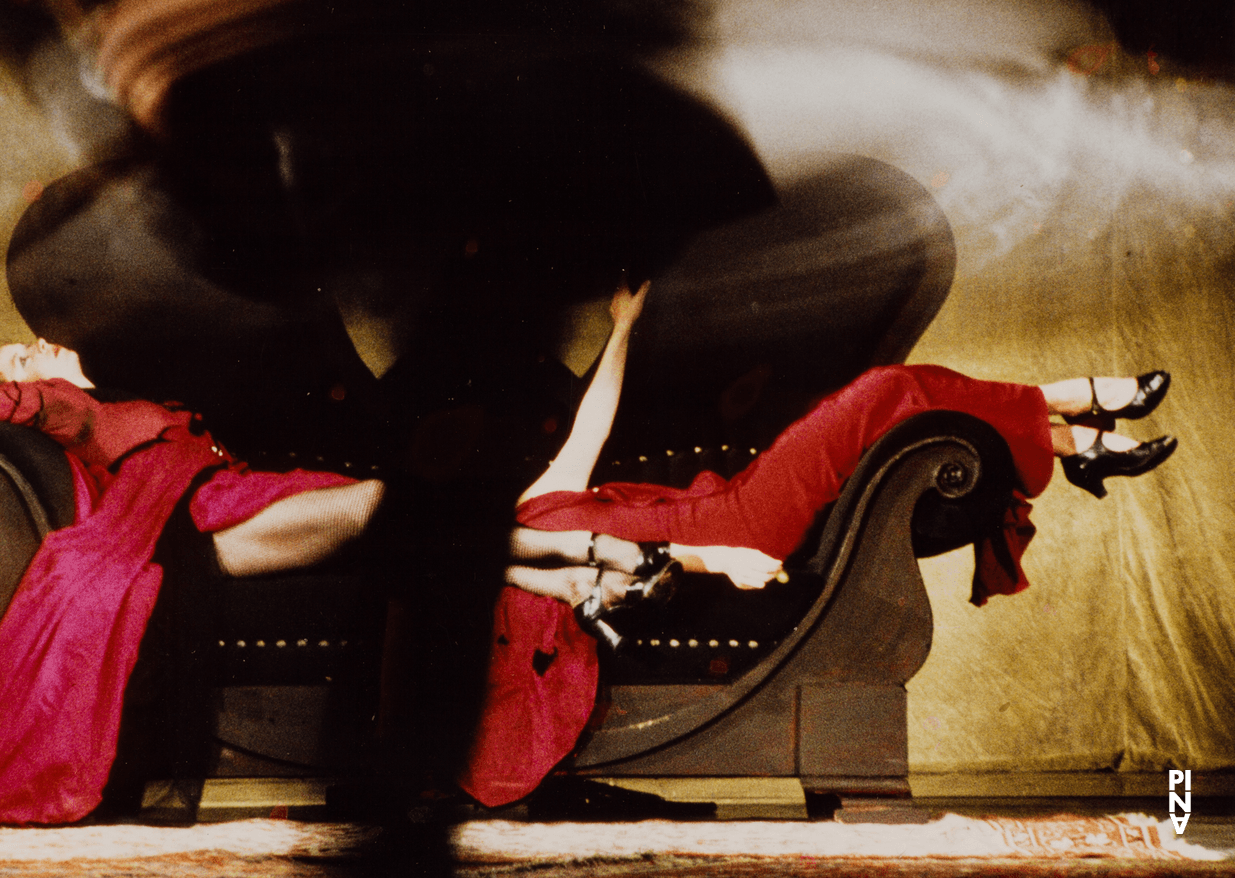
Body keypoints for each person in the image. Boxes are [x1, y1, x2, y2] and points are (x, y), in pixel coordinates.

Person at [459, 281, 1177, 808]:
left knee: (896, 389)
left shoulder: (534, 502)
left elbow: (593, 422)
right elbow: (609, 568)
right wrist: (717, 557)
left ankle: (1074, 436)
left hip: (731, 502)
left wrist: (623, 325)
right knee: (881, 390)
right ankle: (1079, 412)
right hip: (734, 525)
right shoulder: (518, 557)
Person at [0, 339, 384, 825]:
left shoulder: (120, 392)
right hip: (199, 519)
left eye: (28, 347)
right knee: (387, 504)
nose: (38, 347)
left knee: (397, 509)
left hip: (228, 501)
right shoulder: (62, 401)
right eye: (22, 361)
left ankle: (438, 767)